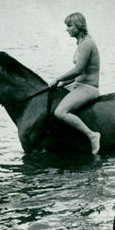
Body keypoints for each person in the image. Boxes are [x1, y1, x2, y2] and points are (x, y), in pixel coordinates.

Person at [49, 12, 101, 155]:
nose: (67, 29)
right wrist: (62, 84)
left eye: (70, 25)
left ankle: (92, 135)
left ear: (79, 26)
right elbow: (78, 75)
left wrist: (58, 78)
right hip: (78, 85)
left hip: (88, 88)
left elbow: (78, 70)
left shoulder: (86, 44)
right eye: (67, 26)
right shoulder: (81, 43)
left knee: (60, 112)